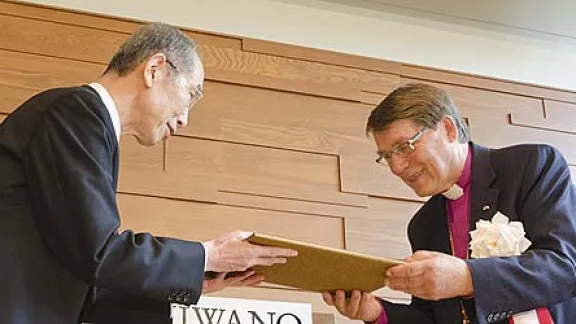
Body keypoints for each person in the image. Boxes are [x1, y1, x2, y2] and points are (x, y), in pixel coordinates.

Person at [0, 22, 297, 324]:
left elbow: (83, 288)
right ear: (154, 69)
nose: (184, 120)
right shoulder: (75, 113)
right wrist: (207, 256)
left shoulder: (83, 120)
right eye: (191, 95)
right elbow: (98, 254)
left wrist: (193, 279)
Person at [321, 83, 576, 323]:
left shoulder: (532, 166)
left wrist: (467, 278)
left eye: (405, 146)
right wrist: (375, 311)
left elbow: (565, 268)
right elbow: (436, 318)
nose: (396, 167)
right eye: (387, 157)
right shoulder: (423, 225)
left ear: (448, 129)